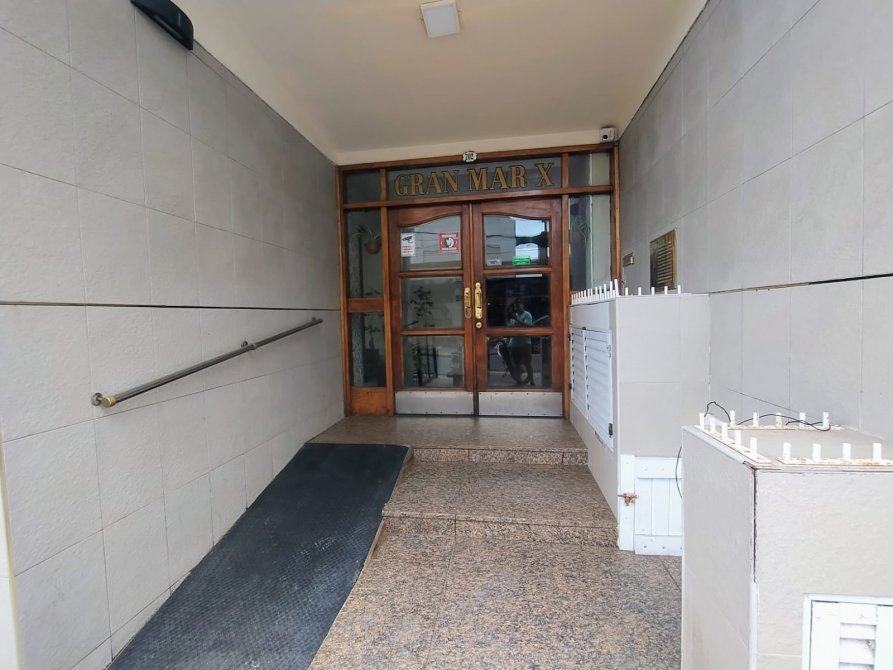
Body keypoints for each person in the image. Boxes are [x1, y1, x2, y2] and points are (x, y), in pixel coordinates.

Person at [507, 300, 535, 386]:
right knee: (517, 364)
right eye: (516, 307)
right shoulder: (514, 316)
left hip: (524, 343)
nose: (517, 308)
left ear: (522, 306)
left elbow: (528, 326)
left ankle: (532, 381)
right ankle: (518, 381)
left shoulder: (527, 315)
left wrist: (516, 319)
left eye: (519, 306)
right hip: (514, 344)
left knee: (527, 363)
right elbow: (511, 328)